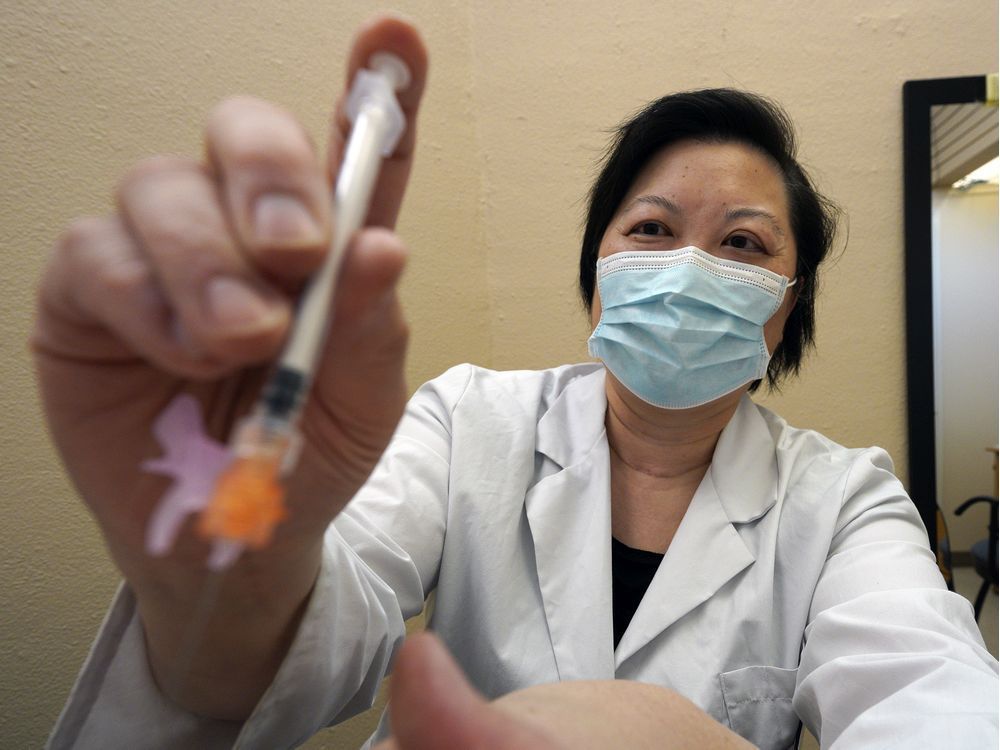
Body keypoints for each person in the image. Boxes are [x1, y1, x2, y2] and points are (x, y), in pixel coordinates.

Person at [36, 15, 997, 750]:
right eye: (652, 230)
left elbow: (928, 690)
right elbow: (319, 625)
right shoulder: (467, 420)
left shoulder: (845, 501)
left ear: (786, 310)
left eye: (742, 243)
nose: (690, 267)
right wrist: (233, 574)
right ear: (597, 280)